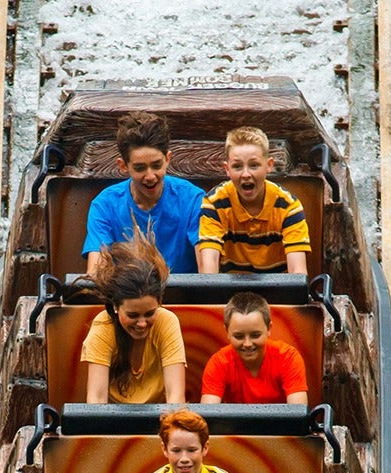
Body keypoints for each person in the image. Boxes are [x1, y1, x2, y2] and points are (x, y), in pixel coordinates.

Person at [83, 111, 205, 278]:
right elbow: (97, 270)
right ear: (123, 166)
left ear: (168, 159)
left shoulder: (192, 199)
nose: (150, 176)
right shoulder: (105, 205)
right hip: (128, 298)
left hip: (184, 299)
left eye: (156, 165)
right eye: (140, 168)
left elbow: (207, 270)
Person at [75, 232, 187, 404]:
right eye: (132, 315)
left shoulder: (167, 321)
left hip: (160, 420)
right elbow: (96, 400)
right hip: (111, 423)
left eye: (149, 313)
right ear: (115, 307)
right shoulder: (103, 326)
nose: (142, 323)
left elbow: (176, 397)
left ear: (159, 303)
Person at [195, 126, 313, 275]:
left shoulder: (288, 207)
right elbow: (209, 266)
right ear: (227, 169)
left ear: (268, 165)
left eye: (254, 165)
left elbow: (298, 271)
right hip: (229, 292)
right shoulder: (214, 203)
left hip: (278, 292)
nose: (246, 174)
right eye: (237, 166)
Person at [198, 292, 310, 405]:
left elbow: (298, 411)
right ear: (227, 332)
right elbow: (208, 413)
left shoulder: (288, 357)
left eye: (255, 335)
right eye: (239, 336)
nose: (247, 343)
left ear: (269, 329)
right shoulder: (218, 363)